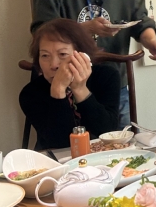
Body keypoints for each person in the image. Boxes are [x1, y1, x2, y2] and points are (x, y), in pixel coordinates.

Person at [20, 19, 120, 150]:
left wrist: (80, 89)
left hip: (102, 155)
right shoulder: (30, 93)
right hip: (54, 158)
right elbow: (60, 143)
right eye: (45, 55)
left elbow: (107, 132)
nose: (53, 65)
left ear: (83, 55)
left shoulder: (106, 76)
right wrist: (58, 90)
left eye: (62, 54)